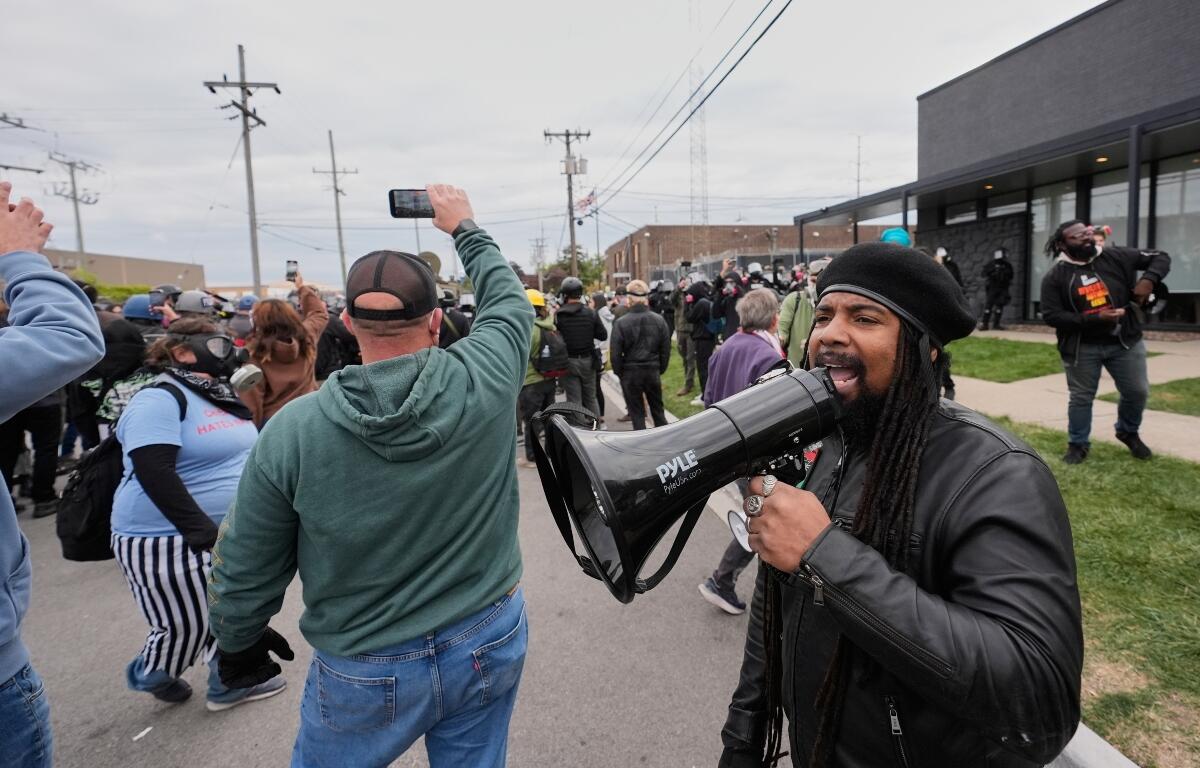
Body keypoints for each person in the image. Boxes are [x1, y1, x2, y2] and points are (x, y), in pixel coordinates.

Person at [720, 241, 1083, 768]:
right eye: (823, 315)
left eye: (864, 318)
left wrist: (824, 555)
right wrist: (742, 742)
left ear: (924, 349)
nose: (830, 333)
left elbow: (1038, 700)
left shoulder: (995, 473)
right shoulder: (827, 447)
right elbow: (774, 611)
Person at [208, 185, 532, 768]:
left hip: (364, 663)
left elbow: (247, 558)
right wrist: (464, 227)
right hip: (487, 632)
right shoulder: (485, 377)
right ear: (436, 320)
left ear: (347, 324)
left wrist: (237, 642)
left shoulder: (293, 431)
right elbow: (506, 301)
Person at [109, 317, 282, 709]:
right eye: (215, 344)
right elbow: (153, 469)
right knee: (184, 625)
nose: (226, 352)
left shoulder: (213, 392)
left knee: (227, 611)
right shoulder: (159, 398)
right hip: (164, 538)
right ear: (181, 350)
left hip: (223, 532)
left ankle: (228, 682)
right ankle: (150, 671)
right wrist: (202, 532)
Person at [0, 181, 105, 768]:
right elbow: (67, 337)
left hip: (57, 412)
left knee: (47, 452)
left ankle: (38, 492)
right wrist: (18, 258)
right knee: (48, 453)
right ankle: (40, 492)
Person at [1039, 220, 1170, 464]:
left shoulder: (1115, 256)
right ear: (1062, 244)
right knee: (1081, 397)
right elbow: (1052, 316)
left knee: (1137, 391)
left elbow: (1161, 256)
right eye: (1078, 236)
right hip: (1082, 347)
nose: (1087, 238)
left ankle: (1127, 431)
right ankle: (1077, 444)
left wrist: (1148, 280)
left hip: (1125, 341)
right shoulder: (1056, 276)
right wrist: (1094, 318)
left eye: (1088, 233)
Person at [697, 289, 785, 615]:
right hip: (757, 454)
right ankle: (722, 581)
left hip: (729, 449)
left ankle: (724, 581)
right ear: (775, 318)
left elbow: (708, 399)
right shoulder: (768, 357)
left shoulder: (726, 348)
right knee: (762, 519)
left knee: (759, 516)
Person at [240, 271, 329, 427]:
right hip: (312, 414)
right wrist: (301, 287)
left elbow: (252, 403)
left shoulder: (254, 353)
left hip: (276, 422)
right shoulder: (306, 338)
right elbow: (319, 313)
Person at [609, 279, 672, 430]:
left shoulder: (621, 323)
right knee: (658, 411)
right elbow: (665, 349)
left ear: (629, 298)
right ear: (646, 298)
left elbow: (615, 353)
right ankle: (667, 444)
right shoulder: (659, 320)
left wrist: (621, 373)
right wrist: (659, 368)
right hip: (652, 370)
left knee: (637, 415)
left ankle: (643, 449)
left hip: (631, 373)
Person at [555, 275, 607, 419]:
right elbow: (603, 335)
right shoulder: (591, 313)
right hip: (588, 361)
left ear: (565, 294)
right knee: (591, 397)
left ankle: (580, 433)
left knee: (574, 400)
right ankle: (596, 428)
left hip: (568, 362)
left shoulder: (559, 315)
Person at [520, 288, 560, 467]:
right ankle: (551, 451)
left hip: (531, 381)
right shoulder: (550, 325)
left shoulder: (529, 329)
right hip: (549, 379)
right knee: (548, 417)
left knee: (532, 421)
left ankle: (532, 455)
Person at [777, 257, 829, 367]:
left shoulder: (838, 306)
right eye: (813, 281)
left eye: (821, 283)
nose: (816, 287)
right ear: (807, 279)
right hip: (797, 370)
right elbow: (782, 329)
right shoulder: (794, 300)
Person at [686, 278, 717, 402]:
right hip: (708, 338)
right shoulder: (706, 301)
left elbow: (689, 318)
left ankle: (705, 396)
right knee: (706, 367)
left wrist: (688, 304)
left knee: (702, 368)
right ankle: (707, 393)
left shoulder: (701, 303)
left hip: (702, 339)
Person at [670, 275, 697, 396]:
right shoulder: (678, 294)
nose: (685, 284)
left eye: (687, 282)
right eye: (683, 282)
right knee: (684, 357)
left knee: (690, 358)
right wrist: (678, 288)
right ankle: (689, 380)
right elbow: (671, 300)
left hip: (691, 330)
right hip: (680, 329)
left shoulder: (693, 294)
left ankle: (688, 384)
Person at [979, 246, 1015, 330]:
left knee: (999, 306)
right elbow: (984, 273)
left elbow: (1011, 276)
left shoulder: (1007, 265)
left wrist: (1003, 273)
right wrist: (993, 272)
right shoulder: (992, 264)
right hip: (992, 287)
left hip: (1003, 288)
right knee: (988, 306)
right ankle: (985, 324)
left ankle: (996, 324)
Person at [712, 259, 745, 342]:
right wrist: (721, 295)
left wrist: (736, 290)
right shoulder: (727, 300)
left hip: (743, 337)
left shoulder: (745, 299)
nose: (729, 285)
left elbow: (742, 294)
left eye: (732, 282)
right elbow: (716, 314)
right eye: (727, 283)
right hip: (729, 337)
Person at [592, 291, 613, 419]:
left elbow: (601, 336)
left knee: (595, 387)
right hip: (605, 351)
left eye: (592, 301)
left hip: (600, 351)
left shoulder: (598, 315)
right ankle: (602, 415)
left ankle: (599, 416)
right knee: (597, 386)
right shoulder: (607, 314)